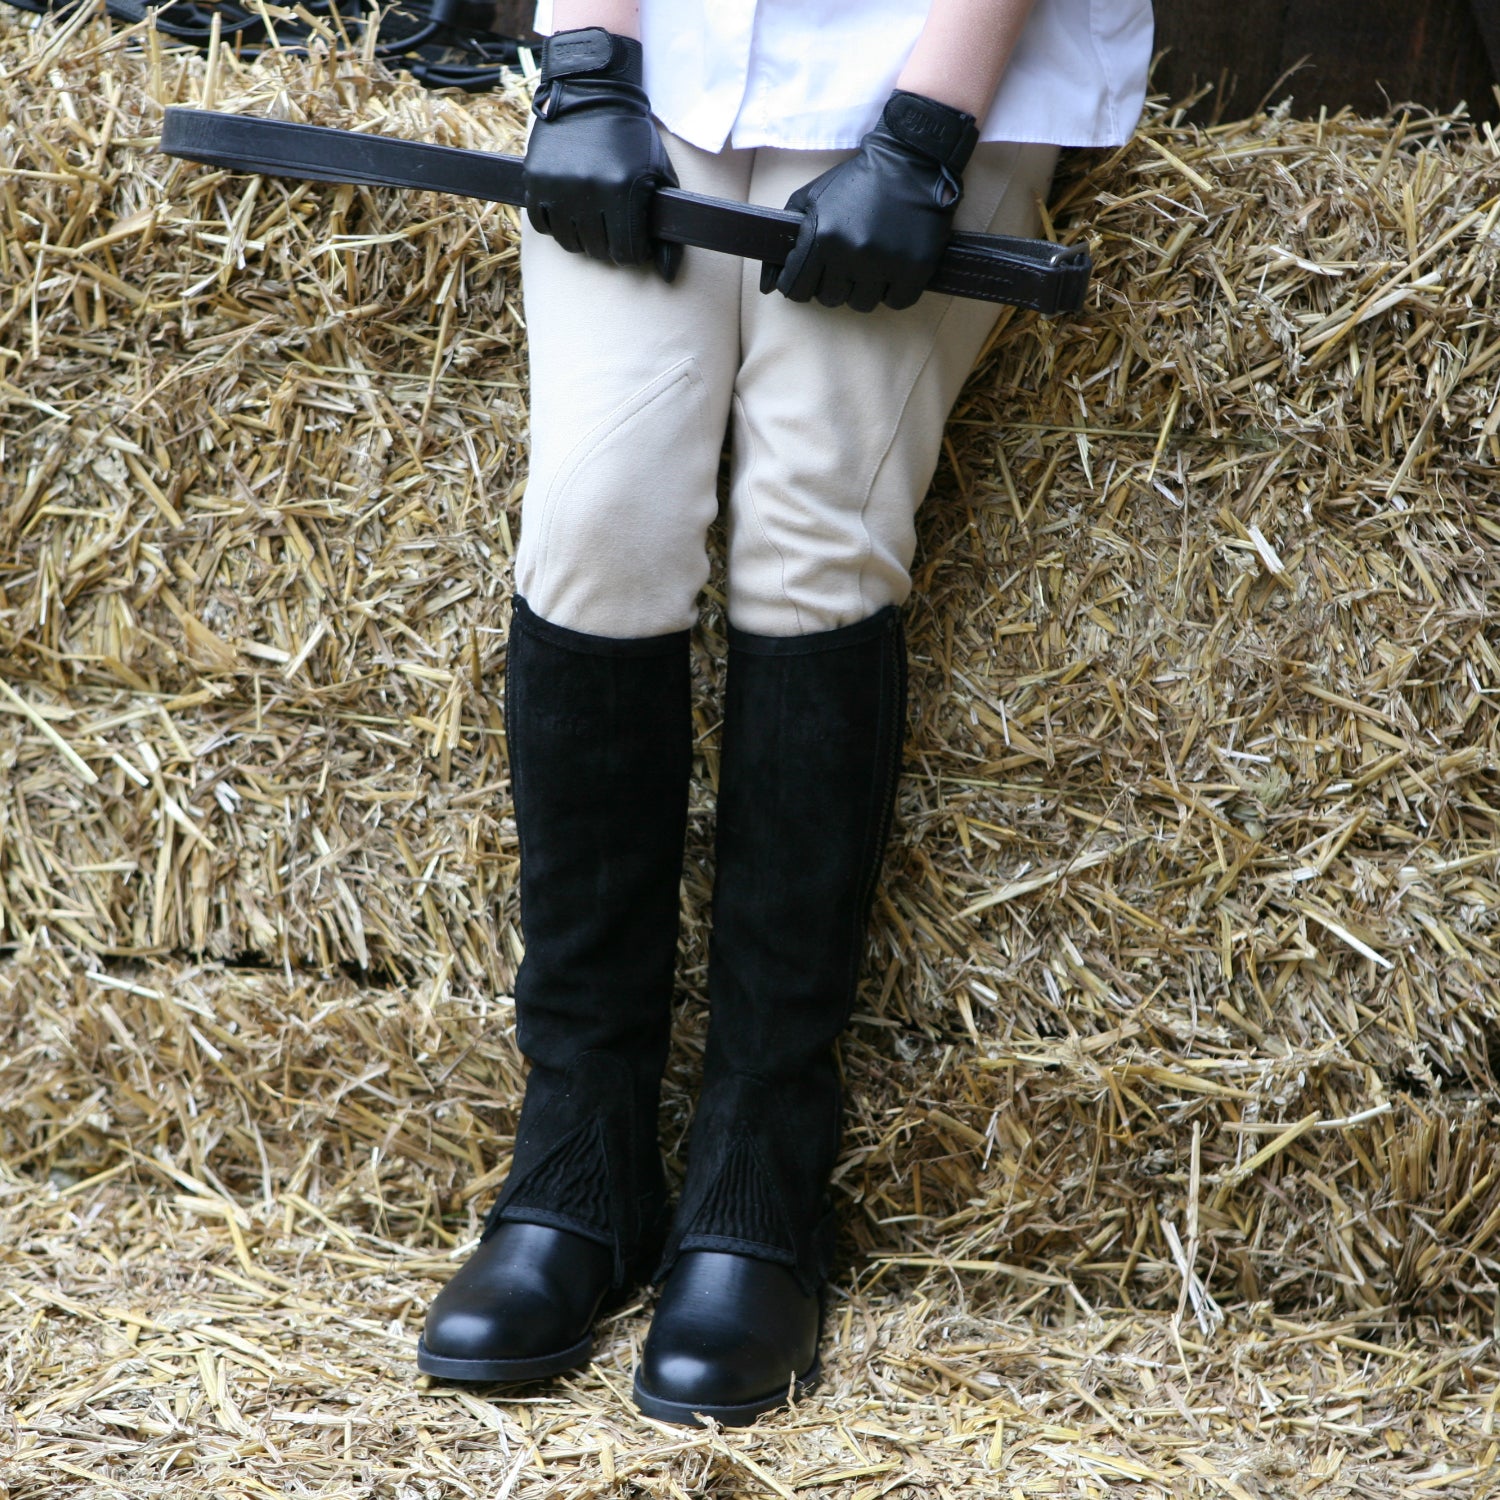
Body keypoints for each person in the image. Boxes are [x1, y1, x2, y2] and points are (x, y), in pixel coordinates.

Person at [416, 0, 1153, 1426]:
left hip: (946, 72)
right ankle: (578, 1154)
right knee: (600, 513)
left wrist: (931, 135)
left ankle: (759, 1164)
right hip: (653, 65)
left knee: (814, 530)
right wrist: (582, 68)